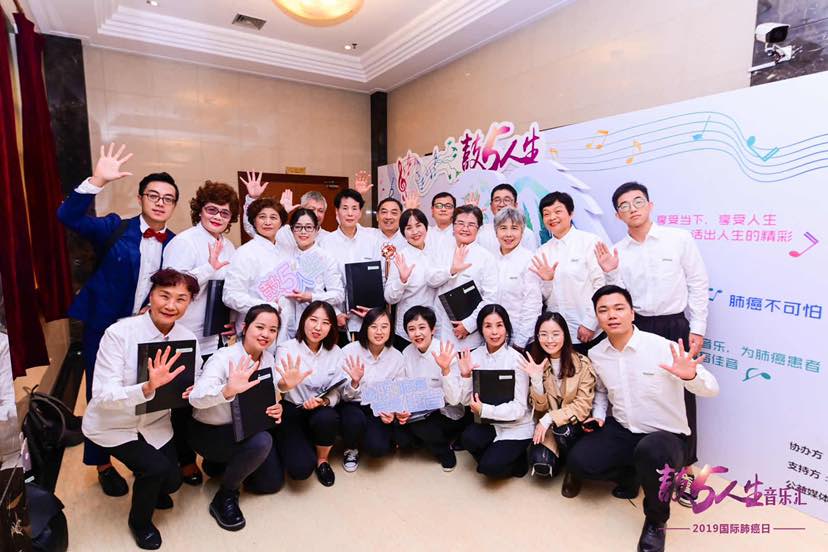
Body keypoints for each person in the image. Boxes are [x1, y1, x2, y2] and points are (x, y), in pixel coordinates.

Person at [57, 143, 178, 497]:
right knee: (101, 394)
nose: (160, 203)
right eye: (153, 195)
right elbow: (67, 217)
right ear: (140, 198)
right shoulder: (115, 227)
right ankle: (102, 464)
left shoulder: (174, 243)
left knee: (143, 390)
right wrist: (97, 180)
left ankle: (141, 455)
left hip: (146, 331)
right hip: (103, 327)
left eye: (168, 198)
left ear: (173, 205)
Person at [566, 285, 719, 552]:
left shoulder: (663, 347)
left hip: (666, 437)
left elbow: (712, 388)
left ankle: (656, 521)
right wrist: (599, 415)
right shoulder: (598, 353)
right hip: (624, 429)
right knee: (580, 461)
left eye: (619, 308)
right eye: (603, 310)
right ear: (597, 318)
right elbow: (601, 390)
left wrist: (691, 376)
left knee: (652, 451)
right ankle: (632, 474)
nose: (612, 315)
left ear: (632, 313)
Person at [81, 269, 201, 550]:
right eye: (164, 296)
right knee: (155, 468)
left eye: (181, 299)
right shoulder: (119, 334)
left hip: (154, 423)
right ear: (151, 295)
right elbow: (102, 395)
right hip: (114, 424)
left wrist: (196, 390)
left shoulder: (187, 338)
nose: (171, 305)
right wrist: (146, 387)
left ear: (189, 303)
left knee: (172, 482)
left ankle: (153, 483)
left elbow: (194, 379)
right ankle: (140, 523)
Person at [594, 181, 709, 465]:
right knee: (638, 392)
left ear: (650, 205)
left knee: (683, 392)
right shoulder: (617, 251)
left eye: (638, 202)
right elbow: (619, 297)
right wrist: (610, 273)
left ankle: (685, 464)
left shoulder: (678, 239)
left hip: (674, 326)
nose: (632, 209)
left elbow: (698, 282)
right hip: (637, 327)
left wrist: (697, 326)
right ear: (618, 215)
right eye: (624, 206)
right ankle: (644, 461)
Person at [188, 305, 307, 531]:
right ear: (245, 327)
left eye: (272, 330)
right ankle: (225, 496)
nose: (266, 334)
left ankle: (223, 465)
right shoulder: (223, 357)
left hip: (243, 429)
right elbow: (195, 398)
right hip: (209, 432)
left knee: (270, 484)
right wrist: (227, 390)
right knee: (263, 440)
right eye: (260, 327)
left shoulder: (269, 358)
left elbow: (269, 394)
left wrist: (280, 397)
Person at [162, 180, 239, 486]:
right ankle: (184, 460)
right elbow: (172, 290)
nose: (218, 216)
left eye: (225, 212)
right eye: (212, 210)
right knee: (182, 403)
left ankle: (212, 455)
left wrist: (233, 320)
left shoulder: (230, 246)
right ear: (200, 210)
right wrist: (208, 267)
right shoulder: (184, 242)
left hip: (215, 337)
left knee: (211, 399)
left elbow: (230, 290)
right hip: (184, 335)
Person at [274, 301, 345, 487]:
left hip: (320, 410)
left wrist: (324, 401)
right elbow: (278, 385)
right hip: (293, 409)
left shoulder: (336, 352)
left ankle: (323, 460)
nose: (318, 327)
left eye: (325, 323)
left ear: (331, 327)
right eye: (313, 320)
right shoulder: (287, 348)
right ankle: (300, 442)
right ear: (303, 320)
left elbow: (337, 390)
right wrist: (286, 384)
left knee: (327, 417)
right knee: (300, 470)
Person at [519, 311, 595, 482]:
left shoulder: (582, 363)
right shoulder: (537, 363)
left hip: (574, 425)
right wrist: (536, 380)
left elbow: (583, 407)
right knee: (541, 465)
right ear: (537, 337)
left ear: (565, 335)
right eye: (543, 334)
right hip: (549, 429)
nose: (549, 340)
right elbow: (539, 409)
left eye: (555, 334)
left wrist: (549, 418)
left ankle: (574, 471)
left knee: (563, 432)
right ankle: (560, 457)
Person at [458, 305, 533, 478]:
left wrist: (485, 409)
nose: (494, 332)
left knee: (488, 468)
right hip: (489, 423)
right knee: (468, 439)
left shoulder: (516, 360)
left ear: (506, 328)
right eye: (488, 326)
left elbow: (519, 409)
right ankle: (500, 454)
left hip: (516, 425)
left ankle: (516, 460)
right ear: (481, 329)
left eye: (499, 325)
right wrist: (465, 376)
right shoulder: (474, 356)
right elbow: (464, 401)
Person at [530, 192, 605, 351]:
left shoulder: (589, 242)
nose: (552, 217)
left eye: (558, 211)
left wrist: (590, 323)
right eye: (546, 214)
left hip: (588, 331)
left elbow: (601, 286)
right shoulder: (542, 252)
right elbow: (542, 297)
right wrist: (548, 281)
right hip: (556, 336)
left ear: (571, 213)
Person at [397, 306, 466, 471]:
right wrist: (402, 409)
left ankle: (444, 450)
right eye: (411, 329)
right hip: (418, 410)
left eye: (422, 327)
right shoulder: (407, 353)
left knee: (420, 426)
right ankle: (426, 440)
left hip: (446, 411)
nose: (417, 333)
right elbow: (403, 386)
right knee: (401, 437)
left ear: (432, 329)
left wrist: (446, 370)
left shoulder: (446, 351)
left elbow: (454, 399)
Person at [337, 308, 406, 471]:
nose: (379, 332)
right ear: (365, 328)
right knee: (353, 420)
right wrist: (355, 382)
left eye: (384, 326)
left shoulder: (397, 356)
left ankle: (371, 436)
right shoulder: (349, 351)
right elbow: (342, 394)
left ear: (391, 329)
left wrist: (391, 409)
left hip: (378, 406)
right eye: (374, 326)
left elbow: (398, 390)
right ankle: (351, 448)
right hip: (352, 403)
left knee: (378, 449)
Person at [222, 197, 291, 343]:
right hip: (255, 328)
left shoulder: (285, 252)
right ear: (254, 221)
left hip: (283, 330)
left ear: (281, 223)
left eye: (273, 217)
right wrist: (268, 307)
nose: (267, 222)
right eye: (262, 217)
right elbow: (230, 295)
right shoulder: (245, 252)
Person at [319, 188, 381, 340]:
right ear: (337, 211)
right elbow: (319, 283)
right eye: (345, 208)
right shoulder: (325, 243)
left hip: (369, 320)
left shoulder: (372, 239)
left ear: (360, 212)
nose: (350, 213)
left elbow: (381, 278)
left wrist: (373, 311)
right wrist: (335, 313)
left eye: (354, 208)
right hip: (336, 319)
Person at [433, 205, 498, 349]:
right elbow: (431, 280)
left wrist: (468, 325)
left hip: (468, 335)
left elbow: (490, 298)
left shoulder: (486, 258)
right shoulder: (442, 251)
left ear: (478, 229)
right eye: (460, 223)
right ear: (453, 226)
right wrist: (451, 271)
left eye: (471, 225)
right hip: (440, 328)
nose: (465, 228)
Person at [384, 209, 446, 351]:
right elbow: (389, 297)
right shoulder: (400, 257)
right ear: (403, 233)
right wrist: (402, 280)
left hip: (434, 326)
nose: (415, 231)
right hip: (408, 330)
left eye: (418, 225)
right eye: (409, 228)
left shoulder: (437, 253)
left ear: (426, 227)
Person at [281, 208, 344, 338]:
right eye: (298, 227)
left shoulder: (324, 258)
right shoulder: (284, 255)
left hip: (314, 325)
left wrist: (311, 297)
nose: (303, 232)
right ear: (292, 230)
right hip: (285, 324)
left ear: (316, 230)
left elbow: (338, 295)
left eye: (308, 227)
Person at [491, 207, 543, 349]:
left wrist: (519, 342)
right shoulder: (489, 259)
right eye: (503, 228)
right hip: (491, 336)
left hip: (520, 339)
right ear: (496, 231)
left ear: (522, 231)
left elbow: (532, 305)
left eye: (514, 228)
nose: (508, 234)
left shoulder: (529, 260)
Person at [240, 171, 332, 248]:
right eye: (311, 209)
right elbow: (251, 228)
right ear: (301, 209)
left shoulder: (329, 238)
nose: (316, 214)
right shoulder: (284, 232)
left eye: (321, 211)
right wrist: (253, 198)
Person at [476, 183, 538, 254]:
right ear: (491, 206)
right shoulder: (482, 231)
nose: (502, 204)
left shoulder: (527, 234)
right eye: (497, 200)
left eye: (507, 200)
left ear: (515, 205)